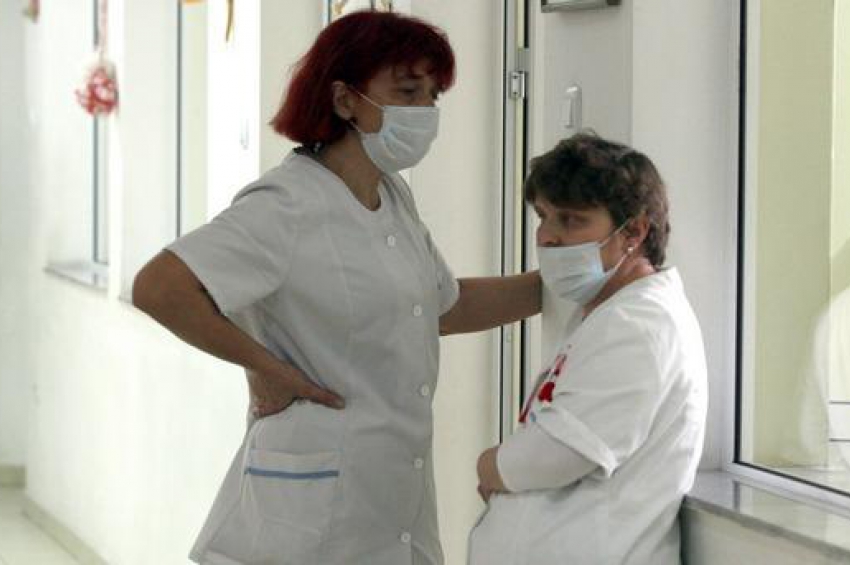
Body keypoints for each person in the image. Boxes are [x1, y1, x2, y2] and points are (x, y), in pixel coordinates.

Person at [132, 10, 540, 565]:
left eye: (432, 96)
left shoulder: (392, 196)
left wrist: (567, 282)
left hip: (389, 501)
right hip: (308, 512)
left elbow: (442, 307)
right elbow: (160, 288)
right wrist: (265, 366)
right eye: (407, 92)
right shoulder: (287, 203)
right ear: (346, 99)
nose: (425, 112)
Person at [468, 133, 708, 565]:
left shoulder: (639, 325)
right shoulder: (605, 314)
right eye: (543, 217)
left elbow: (560, 454)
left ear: (634, 231)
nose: (547, 237)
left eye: (571, 220)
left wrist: (490, 465)